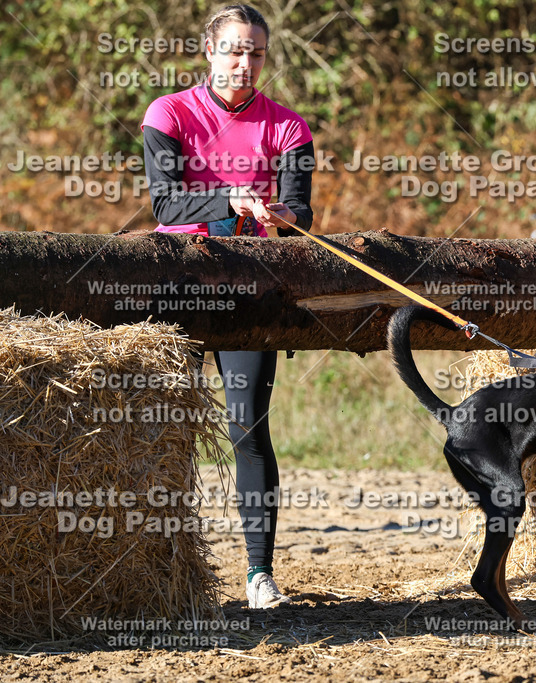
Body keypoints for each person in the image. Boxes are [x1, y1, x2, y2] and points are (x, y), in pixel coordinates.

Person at [141, 4, 315, 609]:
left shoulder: (289, 128)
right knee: (167, 431)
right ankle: (157, 571)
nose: (246, 63)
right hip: (177, 285)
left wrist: (285, 215)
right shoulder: (169, 113)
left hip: (248, 289)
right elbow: (166, 205)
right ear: (209, 51)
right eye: (235, 50)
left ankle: (259, 573)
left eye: (256, 53)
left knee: (248, 428)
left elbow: (301, 212)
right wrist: (228, 199)